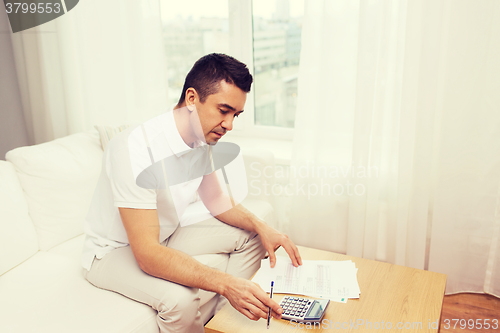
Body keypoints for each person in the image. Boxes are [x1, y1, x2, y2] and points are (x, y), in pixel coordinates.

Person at [81, 53, 302, 333]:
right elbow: (147, 253)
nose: (230, 125)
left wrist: (263, 226)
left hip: (164, 236)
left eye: (236, 114)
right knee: (181, 301)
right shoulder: (134, 149)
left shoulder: (200, 139)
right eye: (224, 111)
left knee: (255, 236)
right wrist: (225, 282)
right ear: (192, 98)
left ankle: (222, 324)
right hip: (112, 252)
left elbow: (217, 200)